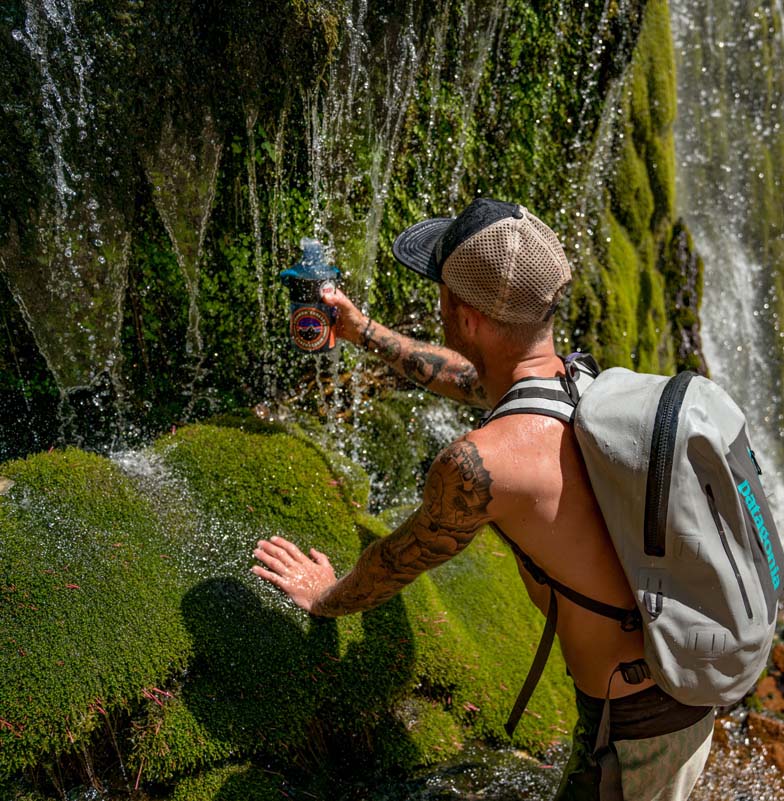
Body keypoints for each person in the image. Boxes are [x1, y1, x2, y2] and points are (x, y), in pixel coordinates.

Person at [251, 198, 715, 800]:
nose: (437, 303)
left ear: (464, 316)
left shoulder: (478, 465)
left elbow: (396, 563)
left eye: (441, 292)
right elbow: (466, 378)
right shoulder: (580, 382)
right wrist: (361, 329)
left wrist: (325, 599)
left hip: (639, 726)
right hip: (669, 692)